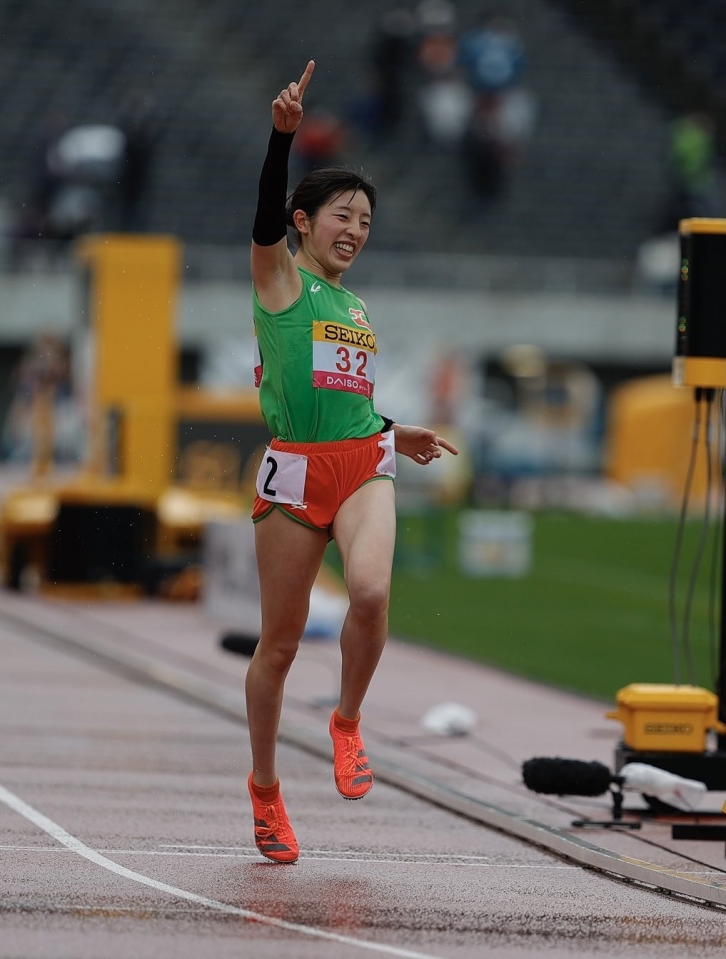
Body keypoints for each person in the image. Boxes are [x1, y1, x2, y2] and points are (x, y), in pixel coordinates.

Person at [246, 61, 458, 863]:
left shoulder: (359, 308)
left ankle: (346, 722)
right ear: (304, 222)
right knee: (278, 645)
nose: (357, 230)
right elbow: (264, 212)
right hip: (296, 475)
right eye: (343, 215)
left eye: (367, 220)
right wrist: (283, 137)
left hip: (364, 462)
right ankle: (265, 788)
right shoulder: (279, 280)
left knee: (369, 592)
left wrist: (395, 431)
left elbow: (346, 396)